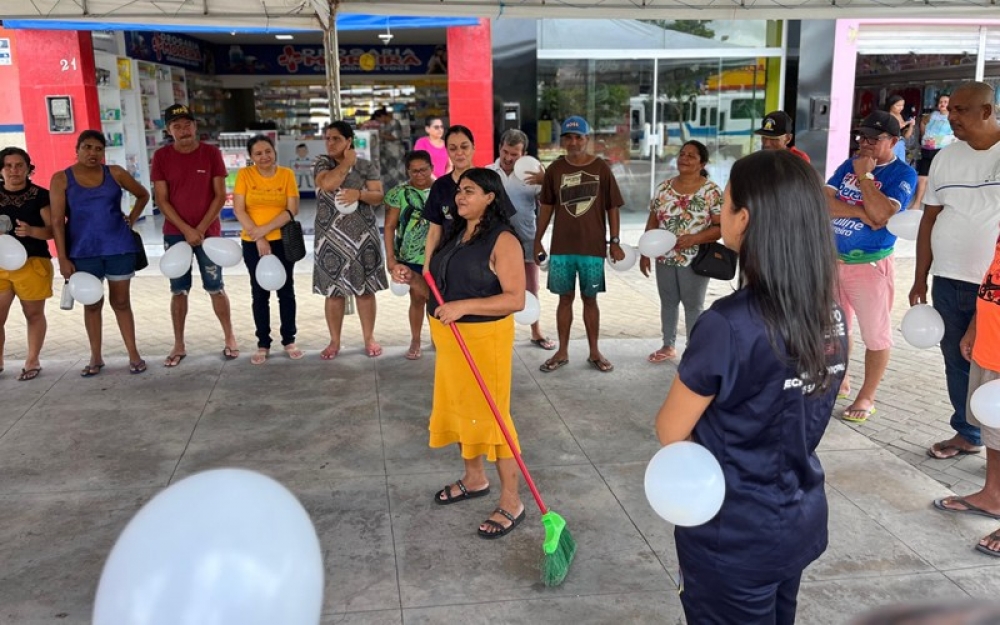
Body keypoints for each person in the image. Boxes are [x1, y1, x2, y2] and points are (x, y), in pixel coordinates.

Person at [655, 149, 847, 624]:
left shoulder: (728, 324)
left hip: (733, 531)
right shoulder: (831, 313)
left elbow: (670, 431)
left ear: (743, 218)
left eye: (725, 204)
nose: (720, 213)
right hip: (797, 516)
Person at [419, 168, 526, 539]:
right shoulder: (455, 233)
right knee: (462, 409)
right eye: (459, 191)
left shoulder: (503, 240)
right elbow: (442, 282)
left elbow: (516, 298)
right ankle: (474, 477)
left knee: (495, 420)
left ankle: (512, 500)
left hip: (484, 341)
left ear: (490, 198)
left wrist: (463, 307)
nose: (459, 197)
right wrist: (411, 275)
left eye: (469, 191)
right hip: (451, 339)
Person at [911, 81, 1000, 466]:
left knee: (992, 367)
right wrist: (919, 276)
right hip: (948, 278)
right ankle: (969, 432)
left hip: (994, 286)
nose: (952, 116)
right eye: (951, 110)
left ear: (987, 111)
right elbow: (929, 219)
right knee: (955, 358)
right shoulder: (946, 157)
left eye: (962, 110)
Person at [825, 110, 916, 422]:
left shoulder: (902, 175)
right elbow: (822, 203)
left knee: (875, 334)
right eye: (861, 136)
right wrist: (862, 213)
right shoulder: (847, 165)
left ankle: (867, 396)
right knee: (836, 329)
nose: (864, 143)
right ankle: (841, 379)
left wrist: (865, 177)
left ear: (892, 141)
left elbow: (883, 216)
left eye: (873, 139)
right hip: (833, 262)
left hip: (870, 266)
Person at [49, 130, 150, 376]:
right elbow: (56, 221)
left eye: (98, 149)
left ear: (104, 152)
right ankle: (96, 356)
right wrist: (62, 258)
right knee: (92, 304)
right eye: (87, 147)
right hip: (83, 252)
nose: (92, 153)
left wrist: (132, 219)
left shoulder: (114, 173)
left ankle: (133, 355)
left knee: (122, 302)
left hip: (119, 248)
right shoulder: (61, 178)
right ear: (77, 149)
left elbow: (143, 194)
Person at [932, 207, 1000, 557]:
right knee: (993, 428)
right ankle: (992, 496)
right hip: (991, 343)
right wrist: (975, 327)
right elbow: (993, 278)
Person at [534, 115, 625, 373]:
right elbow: (546, 207)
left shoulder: (601, 168)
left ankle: (594, 351)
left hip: (592, 248)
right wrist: (537, 239)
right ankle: (562, 352)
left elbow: (612, 207)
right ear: (563, 140)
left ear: (587, 139)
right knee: (564, 299)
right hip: (562, 248)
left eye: (579, 137)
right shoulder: (555, 169)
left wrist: (615, 241)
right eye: (568, 137)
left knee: (590, 299)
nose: (573, 142)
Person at [151, 103, 239, 367]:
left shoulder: (211, 153)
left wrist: (200, 229)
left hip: (209, 234)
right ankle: (178, 343)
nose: (183, 130)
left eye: (187, 124)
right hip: (175, 235)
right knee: (178, 291)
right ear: (169, 130)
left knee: (216, 287)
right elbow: (162, 200)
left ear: (195, 126)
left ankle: (230, 337)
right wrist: (186, 229)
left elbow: (220, 195)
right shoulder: (162, 157)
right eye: (177, 126)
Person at [639, 140, 723, 363]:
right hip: (664, 256)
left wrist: (695, 238)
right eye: (682, 154)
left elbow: (719, 228)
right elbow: (653, 220)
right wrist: (645, 252)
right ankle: (668, 345)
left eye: (691, 156)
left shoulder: (711, 191)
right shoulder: (664, 188)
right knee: (668, 301)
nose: (684, 158)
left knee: (693, 305)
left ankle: (694, 350)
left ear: (702, 163)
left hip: (695, 258)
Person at [313, 120, 386, 360]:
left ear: (349, 141)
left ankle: (369, 337)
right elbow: (328, 183)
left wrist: (360, 194)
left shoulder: (366, 166)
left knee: (364, 291)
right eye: (328, 138)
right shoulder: (321, 163)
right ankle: (334, 341)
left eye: (336, 138)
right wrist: (347, 162)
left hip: (362, 238)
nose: (330, 142)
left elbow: (378, 196)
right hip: (330, 239)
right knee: (333, 292)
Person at [232, 134, 303, 365]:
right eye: (258, 153)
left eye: (268, 151)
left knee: (286, 291)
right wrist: (258, 236)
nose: (264, 157)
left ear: (274, 151)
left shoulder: (286, 175)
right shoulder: (245, 175)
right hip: (253, 242)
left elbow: (292, 210)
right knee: (259, 293)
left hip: (282, 240)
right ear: (251, 157)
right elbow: (239, 209)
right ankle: (263, 342)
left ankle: (289, 339)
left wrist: (264, 231)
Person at [487, 128, 555, 350]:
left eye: (514, 154)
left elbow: (547, 205)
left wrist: (547, 181)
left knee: (531, 289)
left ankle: (536, 332)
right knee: (495, 290)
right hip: (494, 244)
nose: (508, 158)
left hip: (527, 241)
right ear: (499, 148)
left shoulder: (532, 175)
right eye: (505, 152)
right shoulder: (488, 173)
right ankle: (499, 333)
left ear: (523, 153)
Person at [0, 147, 52, 381]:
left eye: (19, 165)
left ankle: (32, 360)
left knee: (33, 314)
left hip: (33, 263)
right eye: (8, 165)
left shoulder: (41, 195)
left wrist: (32, 231)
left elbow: (52, 230)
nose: (14, 170)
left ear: (28, 168)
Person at [384, 150, 434, 360]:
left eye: (423, 169)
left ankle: (437, 337)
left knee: (437, 299)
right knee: (417, 298)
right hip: (410, 256)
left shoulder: (443, 188)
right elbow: (389, 226)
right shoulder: (400, 192)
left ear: (431, 167)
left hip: (438, 254)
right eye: (414, 171)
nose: (419, 175)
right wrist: (390, 257)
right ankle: (415, 339)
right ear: (407, 171)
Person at [422, 125, 481, 268]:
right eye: (453, 148)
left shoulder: (489, 181)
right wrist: (427, 265)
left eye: (464, 147)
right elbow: (434, 231)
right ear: (447, 151)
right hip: (448, 262)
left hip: (482, 259)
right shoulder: (440, 186)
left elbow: (503, 222)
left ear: (473, 147)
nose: (459, 153)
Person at [911, 94, 956, 209]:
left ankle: (941, 205)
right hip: (927, 150)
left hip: (943, 151)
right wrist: (927, 139)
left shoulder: (954, 117)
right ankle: (917, 204)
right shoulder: (931, 116)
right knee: (922, 177)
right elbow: (923, 128)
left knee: (941, 178)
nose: (943, 104)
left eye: (946, 102)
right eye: (941, 102)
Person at [886, 95, 916, 164]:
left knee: (901, 164)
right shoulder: (887, 117)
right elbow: (895, 127)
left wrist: (911, 125)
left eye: (902, 105)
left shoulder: (902, 116)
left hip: (901, 143)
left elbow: (906, 136)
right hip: (891, 144)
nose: (901, 108)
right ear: (891, 105)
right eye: (898, 105)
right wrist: (906, 123)